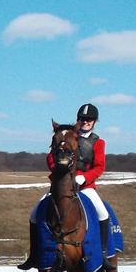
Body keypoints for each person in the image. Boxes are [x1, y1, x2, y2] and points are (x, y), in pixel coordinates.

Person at [52, 102, 110, 256]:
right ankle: (36, 254)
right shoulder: (66, 135)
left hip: (85, 187)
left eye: (89, 119)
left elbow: (99, 167)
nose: (85, 122)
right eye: (82, 119)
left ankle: (103, 252)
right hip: (62, 186)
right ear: (78, 120)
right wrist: (58, 172)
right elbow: (51, 158)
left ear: (95, 122)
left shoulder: (98, 142)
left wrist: (83, 178)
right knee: (35, 212)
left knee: (103, 214)